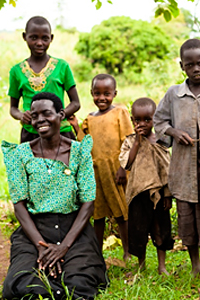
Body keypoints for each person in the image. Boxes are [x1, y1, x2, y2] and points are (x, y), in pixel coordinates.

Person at [1, 92, 107, 300]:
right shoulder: (20, 155)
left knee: (79, 283)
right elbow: (20, 205)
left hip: (74, 231)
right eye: (35, 115)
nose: (40, 119)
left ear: (61, 115)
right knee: (25, 283)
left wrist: (64, 247)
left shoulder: (79, 152)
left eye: (46, 113)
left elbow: (88, 203)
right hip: (34, 232)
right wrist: (42, 247)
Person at [154, 39, 200, 282]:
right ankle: (195, 265)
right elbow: (159, 122)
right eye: (190, 64)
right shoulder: (174, 95)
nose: (196, 69)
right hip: (184, 170)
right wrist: (175, 133)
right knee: (187, 221)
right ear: (181, 66)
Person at [68, 74, 133, 259]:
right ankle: (97, 252)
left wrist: (123, 167)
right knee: (98, 214)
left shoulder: (120, 113)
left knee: (121, 212)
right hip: (96, 172)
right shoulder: (90, 118)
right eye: (97, 93)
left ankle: (127, 251)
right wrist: (75, 127)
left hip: (115, 170)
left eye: (107, 93)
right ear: (91, 93)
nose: (102, 98)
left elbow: (129, 140)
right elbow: (84, 144)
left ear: (114, 93)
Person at [119, 97, 174, 275]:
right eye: (137, 120)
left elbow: (166, 169)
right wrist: (137, 141)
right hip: (138, 194)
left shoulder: (161, 140)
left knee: (160, 230)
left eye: (147, 119)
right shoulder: (129, 141)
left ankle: (162, 266)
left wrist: (167, 194)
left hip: (159, 194)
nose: (142, 123)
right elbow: (127, 163)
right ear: (132, 120)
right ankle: (141, 265)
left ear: (155, 118)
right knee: (138, 231)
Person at [8, 16, 80, 143]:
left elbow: (75, 103)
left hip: (60, 132)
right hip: (31, 133)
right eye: (34, 37)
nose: (39, 43)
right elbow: (13, 108)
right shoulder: (16, 71)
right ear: (24, 36)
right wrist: (21, 115)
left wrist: (61, 114)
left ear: (51, 38)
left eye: (44, 38)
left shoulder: (62, 66)